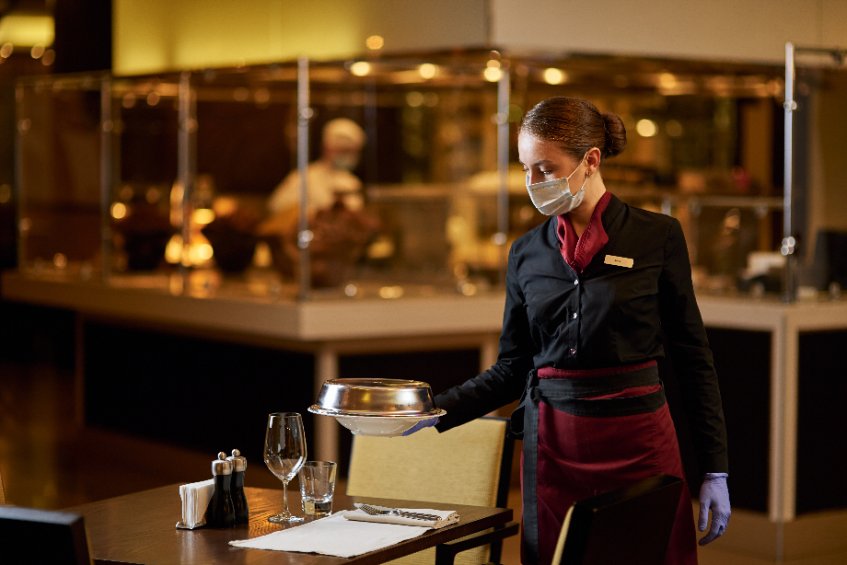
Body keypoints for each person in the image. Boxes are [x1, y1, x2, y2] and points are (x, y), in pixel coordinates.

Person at [408, 97, 730, 565]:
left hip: (639, 442)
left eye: (546, 169)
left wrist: (715, 469)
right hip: (555, 446)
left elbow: (693, 357)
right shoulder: (526, 253)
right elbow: (512, 368)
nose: (533, 183)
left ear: (590, 161)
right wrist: (434, 410)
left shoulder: (657, 236)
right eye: (526, 169)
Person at [267, 117, 366, 216]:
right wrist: (313, 213)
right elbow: (276, 207)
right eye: (341, 150)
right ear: (326, 148)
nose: (346, 156)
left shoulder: (353, 182)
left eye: (351, 151)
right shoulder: (305, 177)